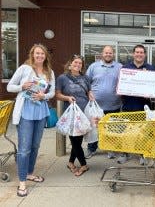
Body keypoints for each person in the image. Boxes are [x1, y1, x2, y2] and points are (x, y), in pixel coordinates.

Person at [7, 44, 55, 197]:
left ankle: (29, 173)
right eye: (37, 53)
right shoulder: (24, 69)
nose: (40, 56)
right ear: (32, 54)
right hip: (26, 111)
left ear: (46, 56)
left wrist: (44, 96)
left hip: (40, 111)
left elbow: (52, 92)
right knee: (24, 148)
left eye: (42, 53)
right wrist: (22, 86)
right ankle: (22, 182)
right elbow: (10, 87)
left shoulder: (49, 72)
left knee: (35, 146)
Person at [56, 54, 94, 176]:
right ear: (70, 64)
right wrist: (67, 98)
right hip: (72, 114)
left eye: (80, 63)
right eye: (75, 63)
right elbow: (57, 95)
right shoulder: (62, 78)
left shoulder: (85, 78)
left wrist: (91, 95)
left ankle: (71, 162)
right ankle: (83, 165)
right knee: (75, 140)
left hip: (84, 113)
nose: (78, 65)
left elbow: (89, 91)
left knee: (78, 139)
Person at [117, 44, 155, 164]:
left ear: (145, 54)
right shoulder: (125, 68)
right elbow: (120, 84)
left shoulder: (150, 68)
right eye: (137, 52)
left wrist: (150, 94)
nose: (139, 54)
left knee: (143, 132)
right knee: (127, 131)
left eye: (141, 52)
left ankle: (142, 154)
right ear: (133, 54)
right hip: (128, 105)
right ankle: (125, 153)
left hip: (144, 106)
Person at [84, 46, 122, 159]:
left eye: (110, 53)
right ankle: (91, 148)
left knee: (112, 129)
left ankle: (111, 149)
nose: (108, 54)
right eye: (106, 52)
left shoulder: (119, 67)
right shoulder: (93, 66)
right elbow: (86, 82)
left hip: (114, 104)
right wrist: (88, 92)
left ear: (113, 54)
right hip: (96, 106)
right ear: (102, 54)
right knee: (94, 129)